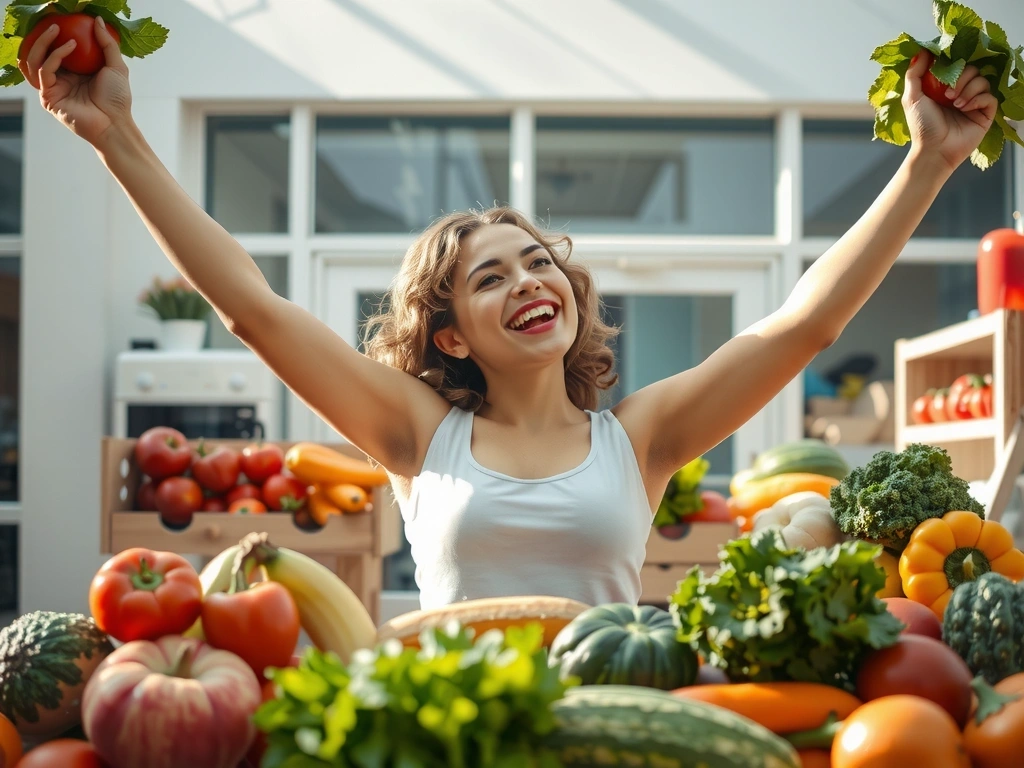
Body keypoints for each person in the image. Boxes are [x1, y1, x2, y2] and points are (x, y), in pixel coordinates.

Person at [23, 17, 998, 610]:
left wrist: (929, 163)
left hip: (602, 727)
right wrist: (119, 139)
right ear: (448, 335)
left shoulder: (645, 437)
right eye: (489, 279)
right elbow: (253, 310)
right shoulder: (416, 435)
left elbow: (801, 327)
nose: (529, 282)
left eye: (538, 264)